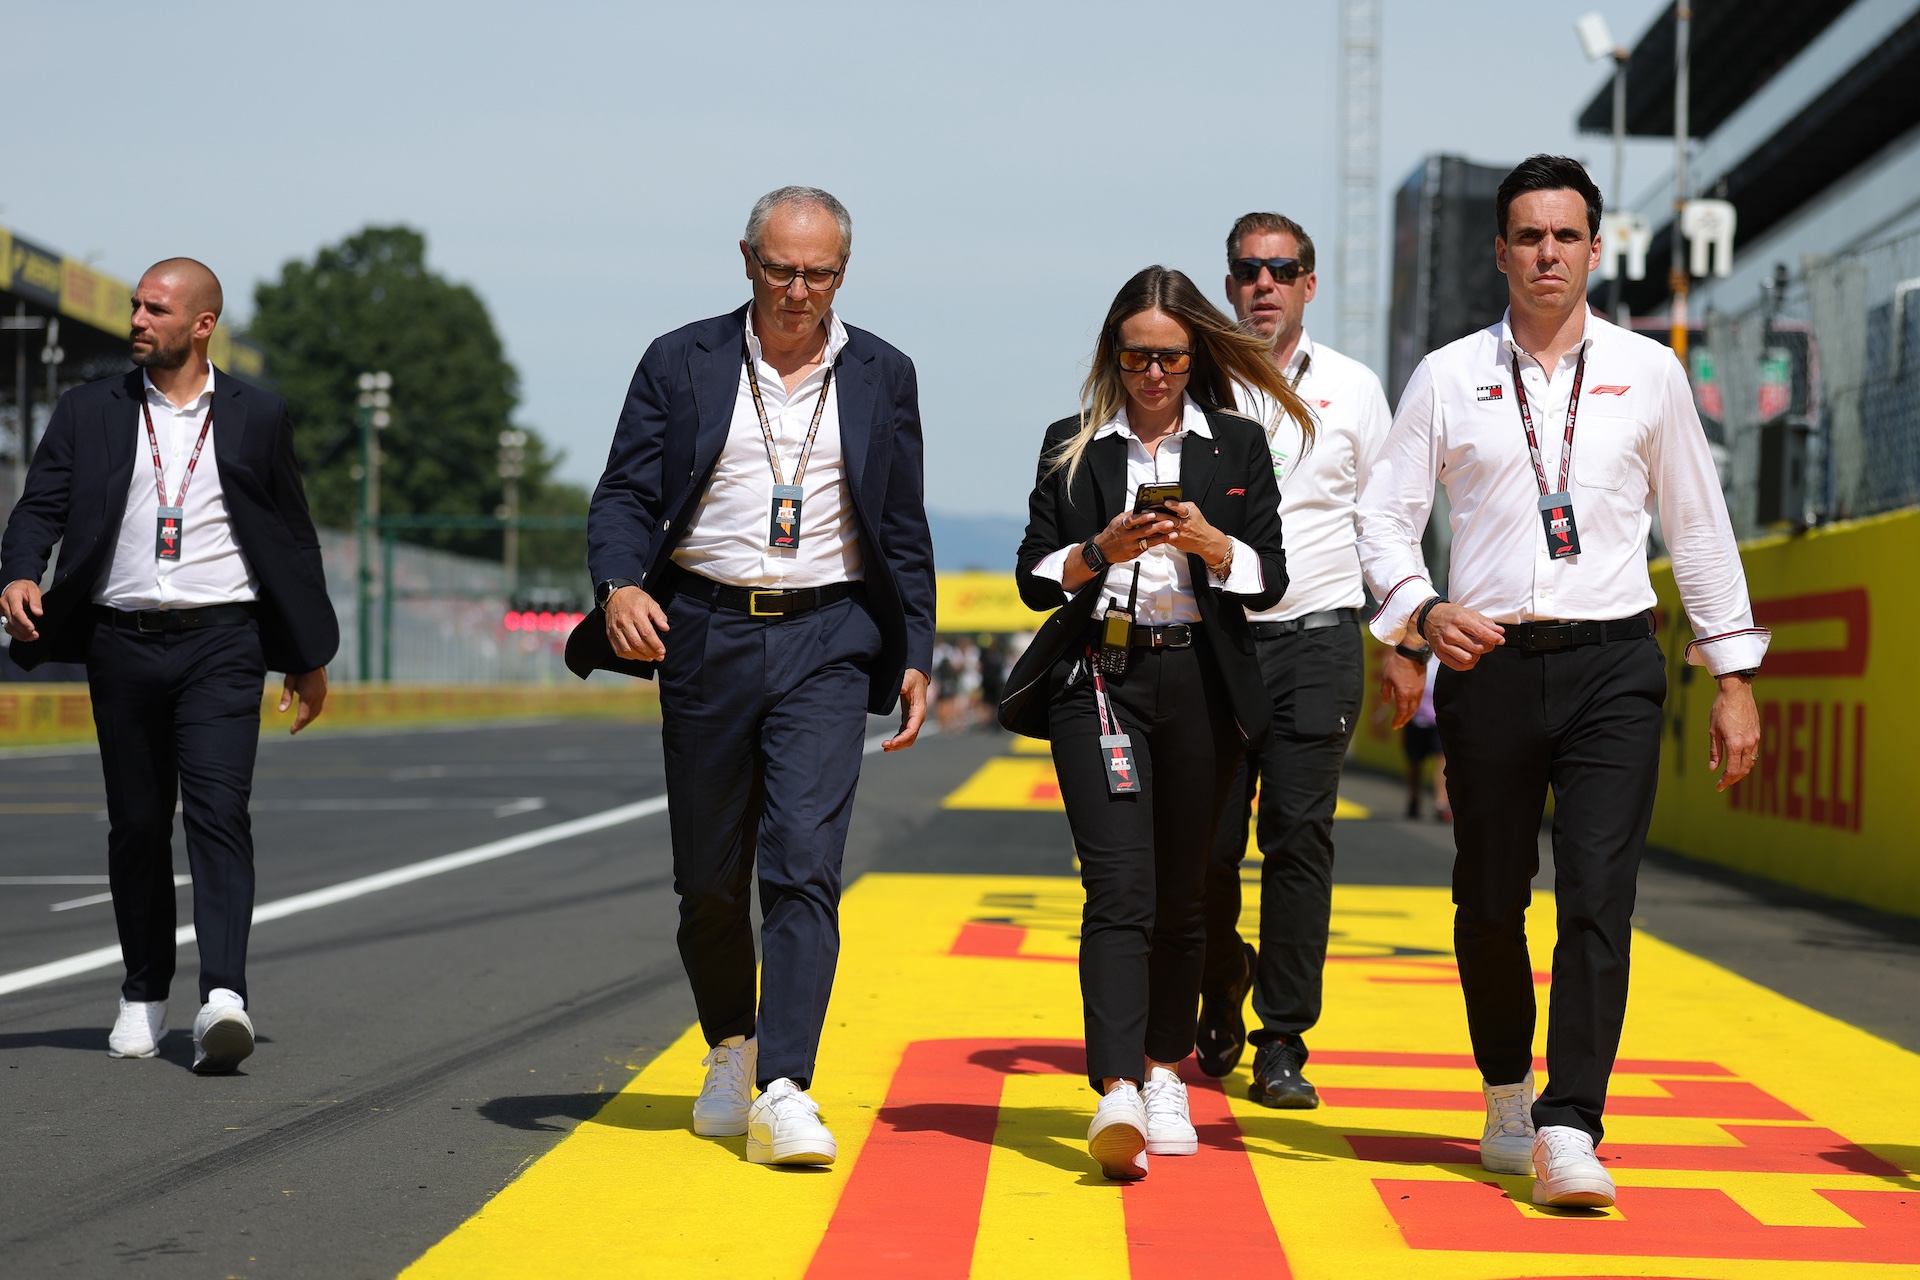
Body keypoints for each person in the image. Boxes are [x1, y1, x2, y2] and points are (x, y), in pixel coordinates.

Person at [1356, 155, 1766, 1209]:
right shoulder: (1449, 374)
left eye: (1566, 236)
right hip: (1487, 663)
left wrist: (1733, 673)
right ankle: (1505, 1086)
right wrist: (1417, 611)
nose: (1547, 253)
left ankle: (1572, 1120)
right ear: (1500, 252)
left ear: (1594, 248)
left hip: (1614, 664)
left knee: (1598, 894)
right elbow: (1384, 516)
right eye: (1528, 236)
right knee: (1489, 896)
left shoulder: (1650, 370)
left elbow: (1699, 524)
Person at [582, 186, 934, 1168]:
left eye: (818, 273)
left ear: (843, 274)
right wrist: (617, 585)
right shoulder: (680, 359)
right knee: (708, 881)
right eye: (780, 267)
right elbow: (623, 493)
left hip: (830, 637)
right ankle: (730, 1046)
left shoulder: (883, 374)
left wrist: (915, 652)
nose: (797, 289)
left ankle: (786, 1083)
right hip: (702, 630)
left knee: (803, 866)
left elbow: (900, 525)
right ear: (746, 259)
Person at [1000, 266, 1303, 1180]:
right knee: (1118, 887)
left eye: (1171, 357)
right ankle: (1117, 1086)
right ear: (1113, 357)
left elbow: (1271, 579)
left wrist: (1215, 545)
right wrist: (1099, 551)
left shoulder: (1240, 446)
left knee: (1186, 893)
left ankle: (1167, 1067)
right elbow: (1030, 575)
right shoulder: (1073, 445)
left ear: (1196, 357)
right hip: (1100, 680)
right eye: (1137, 357)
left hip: (1202, 684)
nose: (1155, 375)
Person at [0, 259, 336, 1074]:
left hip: (226, 643)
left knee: (220, 814)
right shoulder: (89, 411)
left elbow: (292, 539)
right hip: (119, 639)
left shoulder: (259, 416)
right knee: (140, 825)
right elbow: (40, 505)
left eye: (156, 308)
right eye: (135, 306)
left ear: (202, 324)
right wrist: (16, 570)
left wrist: (306, 657)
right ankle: (143, 992)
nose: (138, 319)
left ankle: (224, 996)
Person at [1195, 213, 1416, 1109]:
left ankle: (1283, 1039)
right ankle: (1221, 973)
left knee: (1300, 842)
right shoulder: (1193, 381)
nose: (1264, 285)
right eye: (1248, 270)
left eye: (1282, 270)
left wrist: (1400, 639)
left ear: (1308, 285)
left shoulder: (1358, 389)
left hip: (1320, 636)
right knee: (1203, 850)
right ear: (1229, 281)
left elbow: (1386, 520)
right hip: (1214, 641)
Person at [1400, 658, 1449, 821]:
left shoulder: (1447, 650)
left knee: (1441, 758)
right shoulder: (1415, 646)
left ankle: (1441, 803)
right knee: (1414, 761)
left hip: (1439, 717)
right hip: (1416, 715)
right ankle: (1414, 797)